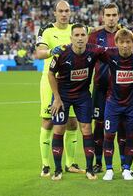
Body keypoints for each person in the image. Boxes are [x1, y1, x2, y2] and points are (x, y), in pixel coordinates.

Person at [48, 23, 106, 180]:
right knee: (59, 129)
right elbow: (51, 74)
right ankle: (58, 170)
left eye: (83, 35)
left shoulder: (94, 50)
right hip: (62, 96)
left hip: (82, 96)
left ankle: (89, 169)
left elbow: (112, 53)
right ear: (71, 37)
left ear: (87, 37)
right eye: (77, 35)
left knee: (87, 129)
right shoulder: (62, 53)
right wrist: (57, 98)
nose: (80, 38)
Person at [36, 0, 84, 177]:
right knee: (48, 122)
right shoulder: (46, 30)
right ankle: (46, 164)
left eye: (67, 11)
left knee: (72, 123)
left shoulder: (75, 29)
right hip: (51, 82)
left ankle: (70, 163)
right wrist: (51, 51)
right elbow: (39, 53)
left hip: (72, 85)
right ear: (55, 13)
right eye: (60, 11)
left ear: (70, 12)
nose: (64, 14)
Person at [101, 29, 133, 181]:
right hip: (112, 103)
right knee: (109, 135)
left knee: (130, 135)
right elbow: (91, 52)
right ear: (116, 44)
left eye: (129, 42)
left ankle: (127, 168)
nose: (125, 45)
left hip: (132, 104)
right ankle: (109, 169)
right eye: (122, 42)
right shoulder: (109, 54)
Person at [88, 3, 126, 173]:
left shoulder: (125, 35)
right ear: (103, 17)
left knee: (123, 126)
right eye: (108, 15)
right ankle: (98, 162)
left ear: (118, 16)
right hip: (100, 87)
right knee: (99, 124)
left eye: (114, 15)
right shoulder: (94, 36)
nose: (111, 18)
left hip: (121, 89)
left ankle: (125, 164)